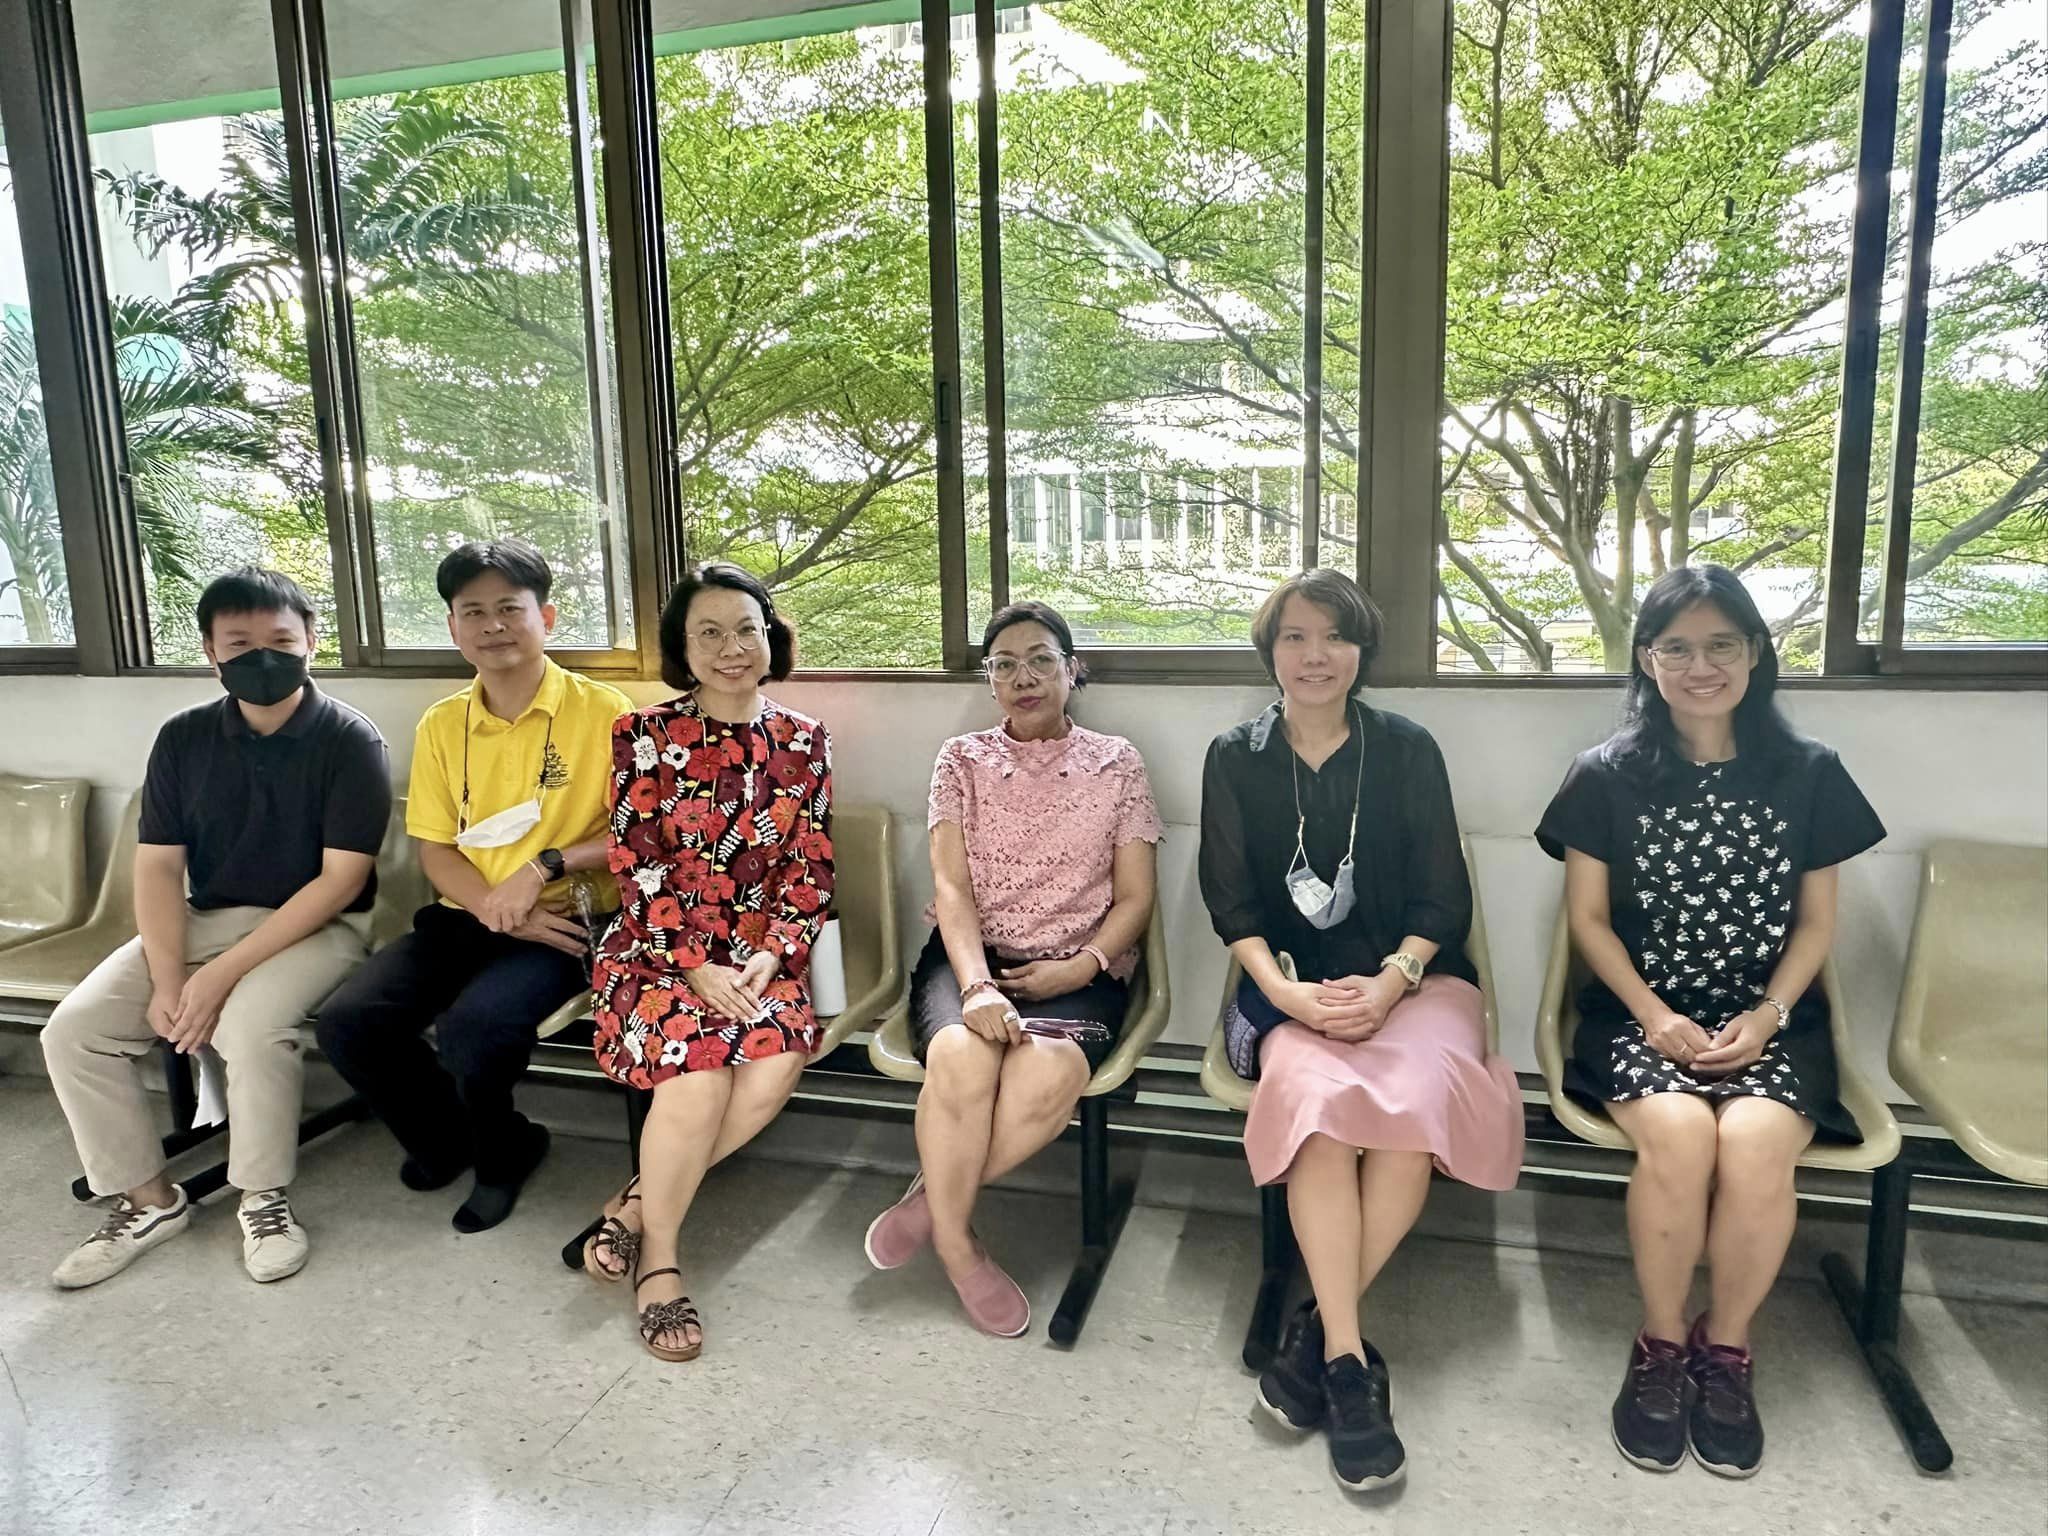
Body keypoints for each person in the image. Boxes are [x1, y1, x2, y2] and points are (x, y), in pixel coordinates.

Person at [1536, 563, 1885, 1480]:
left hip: (1774, 1025)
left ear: (1757, 653)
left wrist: (1767, 1017)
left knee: (1757, 1148)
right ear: (1647, 659)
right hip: (1637, 1019)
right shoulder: (1603, 776)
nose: (1702, 667)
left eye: (1722, 645)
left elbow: (1816, 927)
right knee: (1684, 1138)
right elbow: (1588, 923)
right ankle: (1660, 1343)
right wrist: (1655, 1016)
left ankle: (1725, 1349)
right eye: (1678, 648)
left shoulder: (1811, 773)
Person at [1199, 569, 1523, 1492]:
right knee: (1323, 1117)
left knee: (1411, 1112)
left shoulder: (1408, 749)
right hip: (1292, 986)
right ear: (1270, 652)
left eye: (1335, 637)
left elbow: (1443, 900)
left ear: (1361, 651)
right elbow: (1232, 906)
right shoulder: (1235, 757)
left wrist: (1390, 983)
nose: (1316, 655)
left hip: (1417, 983)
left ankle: (1316, 1343)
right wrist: (1291, 997)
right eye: (1295, 637)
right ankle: (1348, 1360)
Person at [42, 569, 390, 1287]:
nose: (262, 657)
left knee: (249, 1027)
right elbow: (158, 868)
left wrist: (217, 980)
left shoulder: (350, 739)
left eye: (280, 641)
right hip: (206, 918)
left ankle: (262, 1198)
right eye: (239, 642)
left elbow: (339, 881)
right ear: (210, 651)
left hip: (319, 926)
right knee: (74, 1031)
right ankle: (148, 1200)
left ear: (311, 641)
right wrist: (172, 978)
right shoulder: (183, 737)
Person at [862, 601, 1161, 1338]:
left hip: (1082, 965)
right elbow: (951, 888)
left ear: (1071, 669)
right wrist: (976, 987)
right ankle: (959, 1247)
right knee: (962, 1061)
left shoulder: (1117, 762)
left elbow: (1136, 898)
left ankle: (931, 1206)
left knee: (1045, 1079)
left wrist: (1082, 965)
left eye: (1040, 660)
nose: (1023, 678)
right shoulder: (961, 759)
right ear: (989, 680)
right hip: (971, 956)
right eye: (1004, 665)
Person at [315, 539, 631, 1234]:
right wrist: (495, 907)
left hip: (565, 923)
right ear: (454, 627)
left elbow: (639, 839)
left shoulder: (607, 713)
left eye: (510, 609)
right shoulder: (443, 723)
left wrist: (543, 868)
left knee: (474, 1030)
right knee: (350, 1022)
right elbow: (436, 848)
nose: (494, 626)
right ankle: (449, 1138)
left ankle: (501, 1157)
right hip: (469, 915)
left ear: (546, 617)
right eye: (474, 612)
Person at [575, 564, 832, 1361]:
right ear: (683, 649)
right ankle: (660, 1262)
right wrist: (692, 965)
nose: (732, 648)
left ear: (771, 638)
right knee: (698, 1076)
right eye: (709, 633)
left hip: (757, 957)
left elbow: (811, 865)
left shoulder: (805, 739)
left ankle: (633, 1205)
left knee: (775, 1062)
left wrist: (772, 953)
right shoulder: (642, 734)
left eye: (747, 629)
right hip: (654, 954)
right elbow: (636, 860)